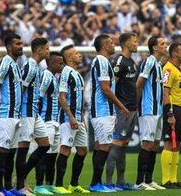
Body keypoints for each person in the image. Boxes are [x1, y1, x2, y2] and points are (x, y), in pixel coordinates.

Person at [89, 34, 129, 192]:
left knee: (100, 146)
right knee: (104, 147)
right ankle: (95, 183)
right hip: (101, 110)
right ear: (105, 46)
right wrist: (121, 107)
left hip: (105, 111)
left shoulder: (103, 61)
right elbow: (105, 89)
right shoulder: (101, 61)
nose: (114, 45)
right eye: (112, 43)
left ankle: (96, 183)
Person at [17, 38, 51, 193]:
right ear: (40, 50)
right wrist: (18, 113)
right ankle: (20, 185)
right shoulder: (30, 67)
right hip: (26, 113)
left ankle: (20, 177)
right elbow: (20, 90)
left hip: (34, 113)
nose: (49, 51)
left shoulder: (36, 67)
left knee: (45, 145)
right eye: (47, 48)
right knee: (23, 148)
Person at [105, 32, 139, 191]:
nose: (137, 43)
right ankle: (109, 182)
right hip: (121, 110)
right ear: (126, 44)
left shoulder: (131, 61)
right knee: (116, 143)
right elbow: (112, 86)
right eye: (134, 41)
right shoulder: (119, 61)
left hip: (131, 109)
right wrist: (117, 107)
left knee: (123, 144)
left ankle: (120, 181)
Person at [55, 45, 89, 194]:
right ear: (69, 58)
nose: (80, 55)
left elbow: (78, 99)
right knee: (65, 149)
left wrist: (81, 118)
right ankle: (58, 185)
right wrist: (70, 117)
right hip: (68, 119)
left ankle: (74, 184)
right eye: (76, 53)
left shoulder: (77, 74)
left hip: (78, 119)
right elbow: (61, 97)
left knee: (82, 150)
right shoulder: (66, 73)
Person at [34, 52, 69, 195]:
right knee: (43, 155)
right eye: (60, 63)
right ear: (51, 64)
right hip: (46, 120)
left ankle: (49, 185)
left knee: (52, 155)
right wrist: (38, 120)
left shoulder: (54, 78)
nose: (62, 65)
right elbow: (39, 97)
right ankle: (38, 185)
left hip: (55, 121)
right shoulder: (46, 76)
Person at [0, 33, 24, 195]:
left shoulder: (15, 64)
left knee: (11, 153)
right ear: (8, 47)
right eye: (17, 44)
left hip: (15, 115)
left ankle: (7, 188)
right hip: (6, 114)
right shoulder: (5, 61)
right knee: (3, 151)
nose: (21, 46)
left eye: (21, 43)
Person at [135, 35, 165, 190]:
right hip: (148, 109)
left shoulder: (159, 64)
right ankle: (139, 181)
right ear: (154, 47)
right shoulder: (149, 61)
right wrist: (136, 105)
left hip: (158, 110)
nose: (165, 45)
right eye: (162, 43)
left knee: (154, 145)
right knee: (147, 143)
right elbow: (139, 83)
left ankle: (149, 179)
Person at [161, 42, 181, 189]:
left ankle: (173, 178)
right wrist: (169, 113)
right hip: (172, 109)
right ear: (175, 54)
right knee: (168, 143)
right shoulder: (168, 69)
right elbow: (166, 93)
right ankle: (166, 180)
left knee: (177, 144)